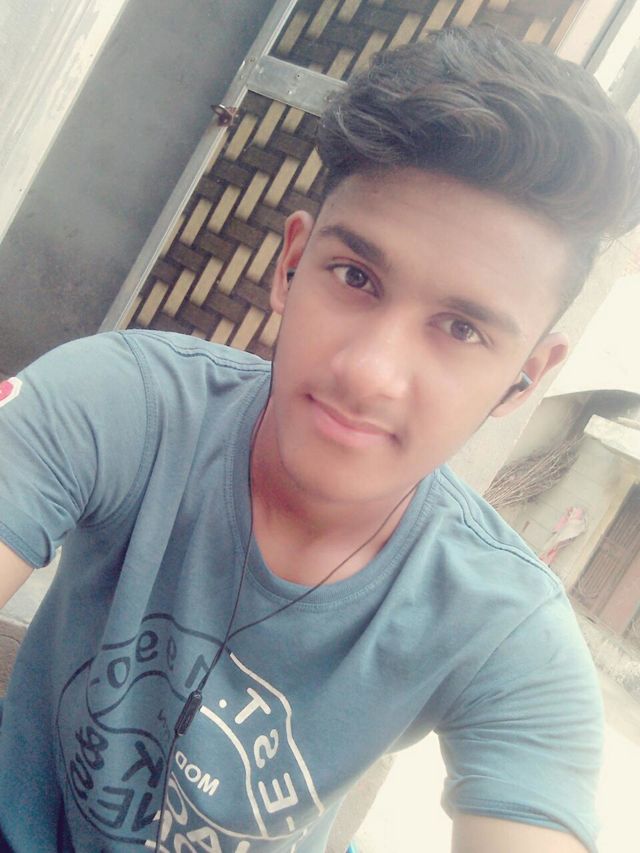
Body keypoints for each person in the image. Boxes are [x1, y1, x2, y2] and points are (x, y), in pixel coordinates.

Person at [0, 25, 639, 853]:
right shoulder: (125, 403)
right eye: (356, 277)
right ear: (290, 265)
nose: (370, 373)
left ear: (525, 377)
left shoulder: (507, 632)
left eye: (461, 328)